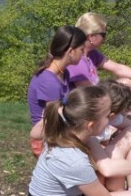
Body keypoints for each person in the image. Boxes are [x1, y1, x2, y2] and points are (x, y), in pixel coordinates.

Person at [27, 25, 87, 156]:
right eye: (81, 49)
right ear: (71, 51)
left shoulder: (63, 73)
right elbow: (54, 122)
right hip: (47, 140)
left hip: (60, 132)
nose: (83, 54)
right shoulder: (49, 81)